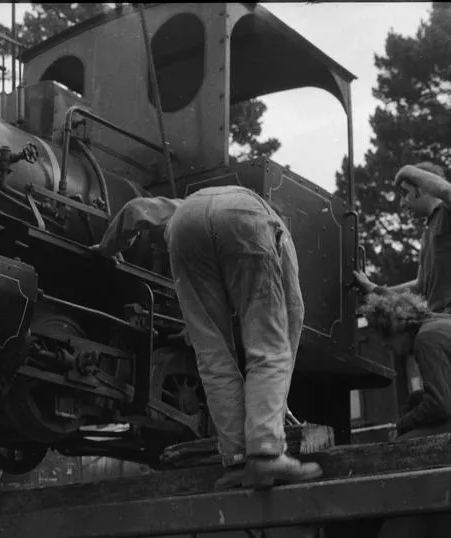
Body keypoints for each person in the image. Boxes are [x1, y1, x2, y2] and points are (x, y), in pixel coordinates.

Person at [91, 186, 322, 489]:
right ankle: (265, 455)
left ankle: (237, 461)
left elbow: (135, 210)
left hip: (185, 226)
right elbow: (293, 311)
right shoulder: (275, 226)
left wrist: (107, 249)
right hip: (246, 223)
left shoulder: (187, 204)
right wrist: (278, 390)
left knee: (213, 357)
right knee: (269, 348)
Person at [358, 291, 451, 538]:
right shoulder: (441, 322)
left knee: (399, 449)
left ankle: (401, 515)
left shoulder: (426, 339)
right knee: (415, 399)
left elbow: (441, 405)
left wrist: (401, 425)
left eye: (385, 339)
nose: (387, 347)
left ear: (396, 328)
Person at [354, 162, 451, 314]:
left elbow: (446, 190)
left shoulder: (447, 211)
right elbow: (419, 286)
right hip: (438, 318)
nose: (402, 203)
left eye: (405, 193)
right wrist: (374, 289)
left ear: (424, 188)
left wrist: (407, 171)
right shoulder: (427, 233)